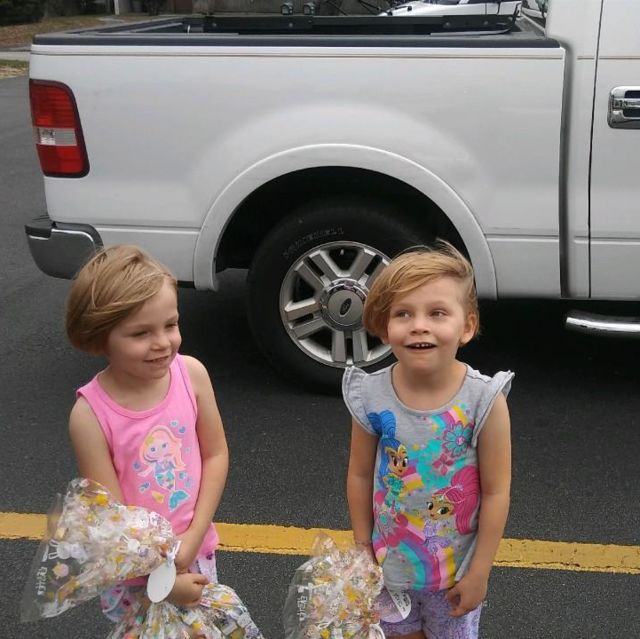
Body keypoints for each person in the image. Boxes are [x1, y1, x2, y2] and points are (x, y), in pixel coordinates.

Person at [343, 241, 512, 639]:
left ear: (466, 326)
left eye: (437, 313)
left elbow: (497, 491)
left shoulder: (483, 400)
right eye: (403, 313)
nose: (419, 325)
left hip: (454, 573)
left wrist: (480, 571)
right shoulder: (371, 395)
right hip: (388, 569)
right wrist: (362, 546)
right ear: (385, 326)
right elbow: (360, 473)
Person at [65, 245, 229, 619]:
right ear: (99, 337)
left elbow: (216, 454)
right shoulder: (90, 415)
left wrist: (193, 539)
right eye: (140, 333)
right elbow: (112, 521)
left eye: (171, 325)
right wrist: (162, 581)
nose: (162, 343)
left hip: (194, 548)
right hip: (133, 572)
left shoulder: (192, 375)